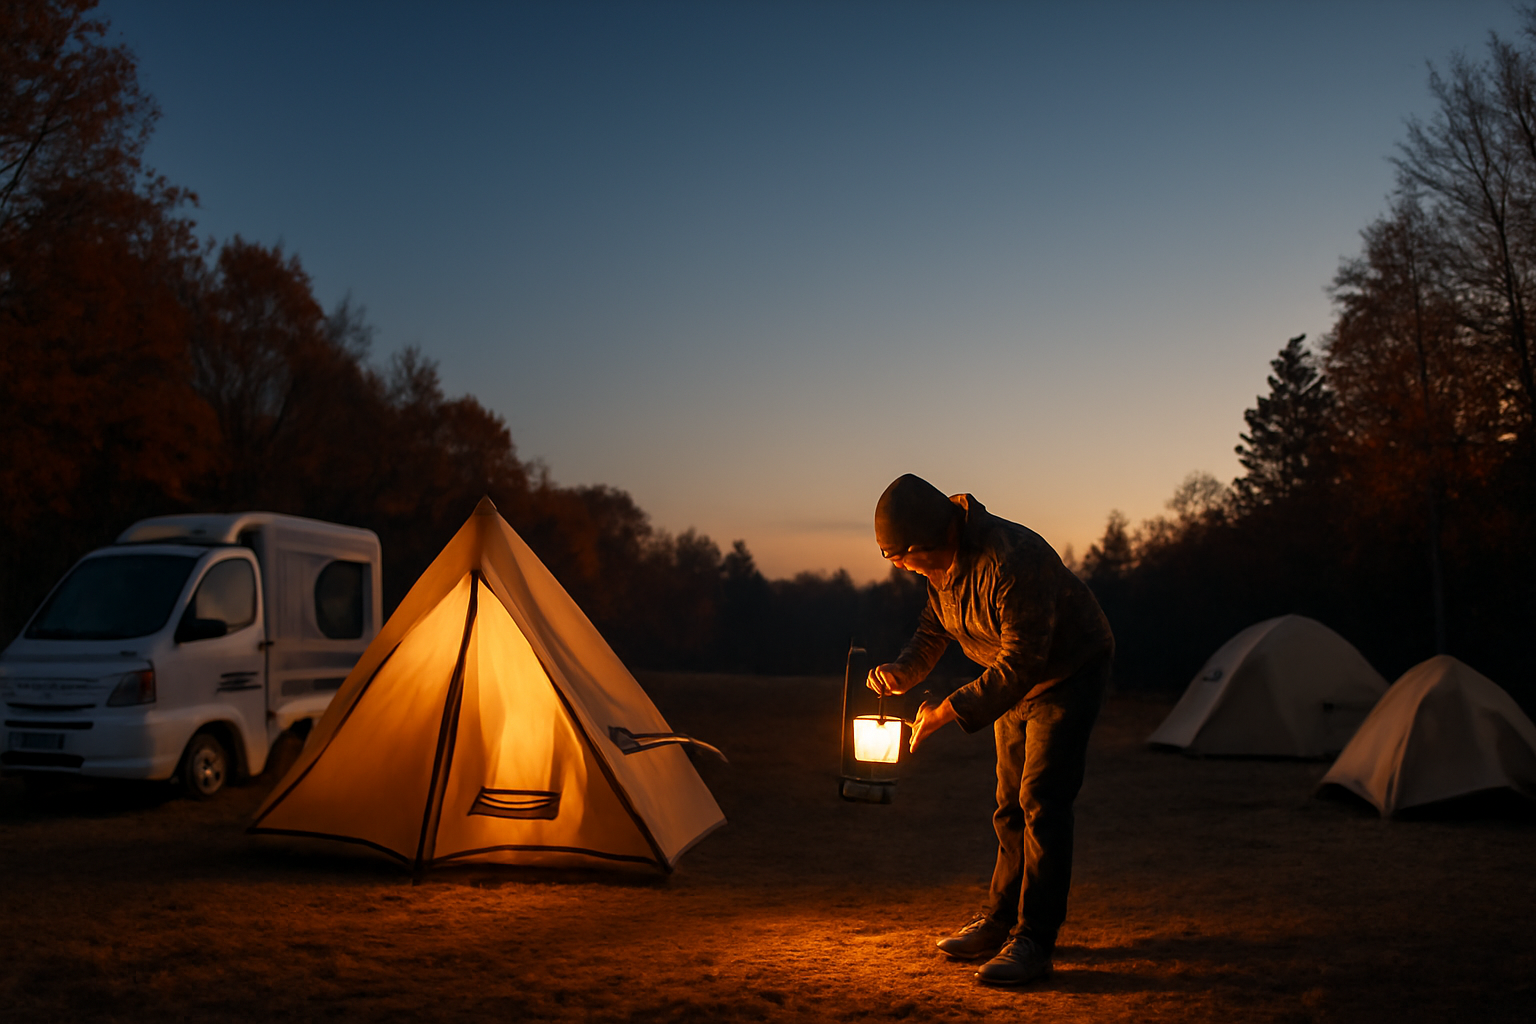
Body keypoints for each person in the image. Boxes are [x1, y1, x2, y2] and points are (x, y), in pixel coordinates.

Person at [867, 473, 1114, 987]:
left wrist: (948, 712)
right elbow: (935, 629)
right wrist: (902, 673)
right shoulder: (942, 566)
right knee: (1008, 805)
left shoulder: (1014, 559)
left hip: (1066, 673)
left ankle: (1035, 941)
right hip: (1010, 686)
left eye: (901, 560)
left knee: (1041, 802)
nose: (905, 570)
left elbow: (1023, 662)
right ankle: (1000, 921)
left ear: (923, 544)